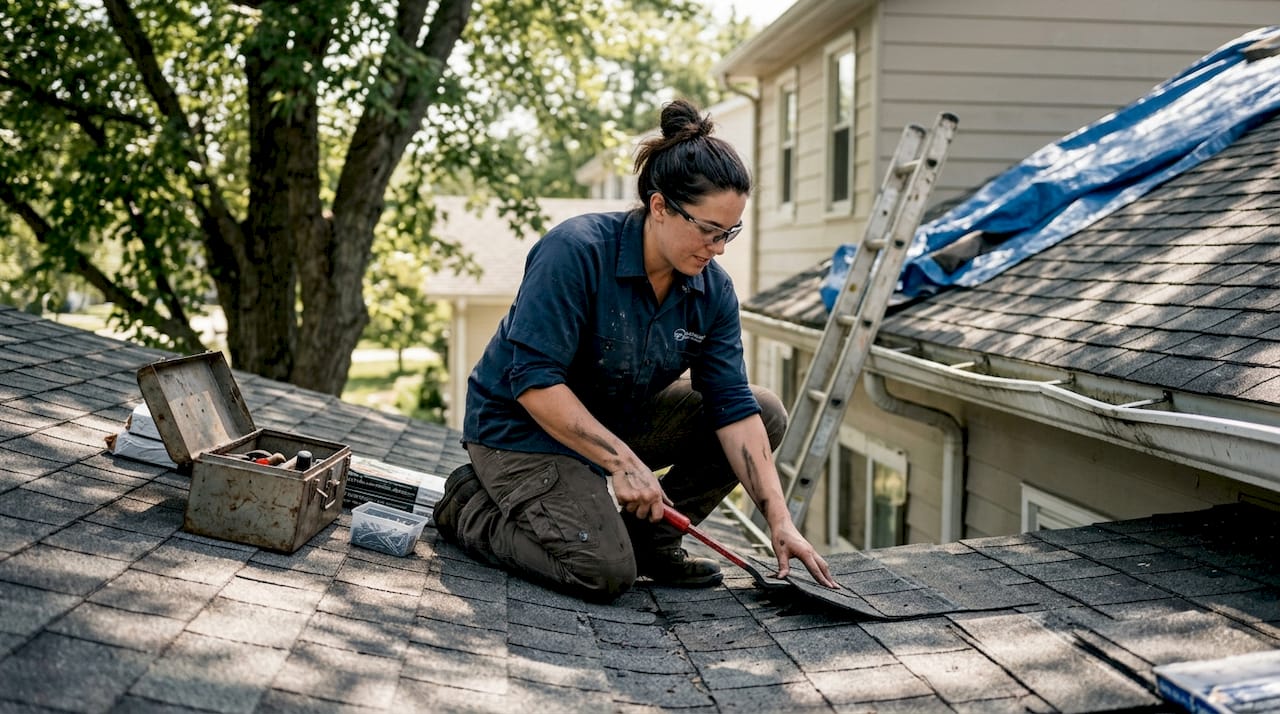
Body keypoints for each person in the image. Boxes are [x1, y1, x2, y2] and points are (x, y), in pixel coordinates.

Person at [433, 98, 838, 601]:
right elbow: (534, 384)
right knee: (602, 572)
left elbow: (732, 405)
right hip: (521, 432)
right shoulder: (575, 252)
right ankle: (469, 507)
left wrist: (780, 520)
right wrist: (623, 464)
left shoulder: (712, 291)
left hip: (611, 422)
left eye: (729, 233)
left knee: (765, 410)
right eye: (708, 230)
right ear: (660, 206)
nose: (718, 248)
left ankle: (650, 544)